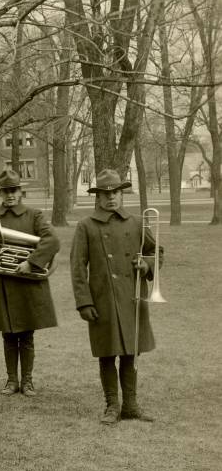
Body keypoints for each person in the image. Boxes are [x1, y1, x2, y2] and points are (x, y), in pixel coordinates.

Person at [70, 169, 160, 425]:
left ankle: (131, 405)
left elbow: (156, 251)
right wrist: (84, 301)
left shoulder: (135, 222)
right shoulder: (86, 226)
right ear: (97, 197)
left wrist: (147, 266)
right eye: (105, 194)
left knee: (131, 351)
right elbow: (78, 267)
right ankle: (112, 405)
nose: (111, 198)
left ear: (122, 194)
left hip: (131, 297)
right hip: (102, 299)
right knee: (107, 353)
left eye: (116, 193)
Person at [0, 170, 59, 396]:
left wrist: (31, 263)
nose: (10, 195)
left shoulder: (34, 215)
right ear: (0, 193)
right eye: (5, 191)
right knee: (8, 335)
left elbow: (52, 240)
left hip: (27, 284)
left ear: (21, 192)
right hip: (3, 284)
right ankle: (12, 380)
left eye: (14, 190)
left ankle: (27, 381)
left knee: (27, 336)